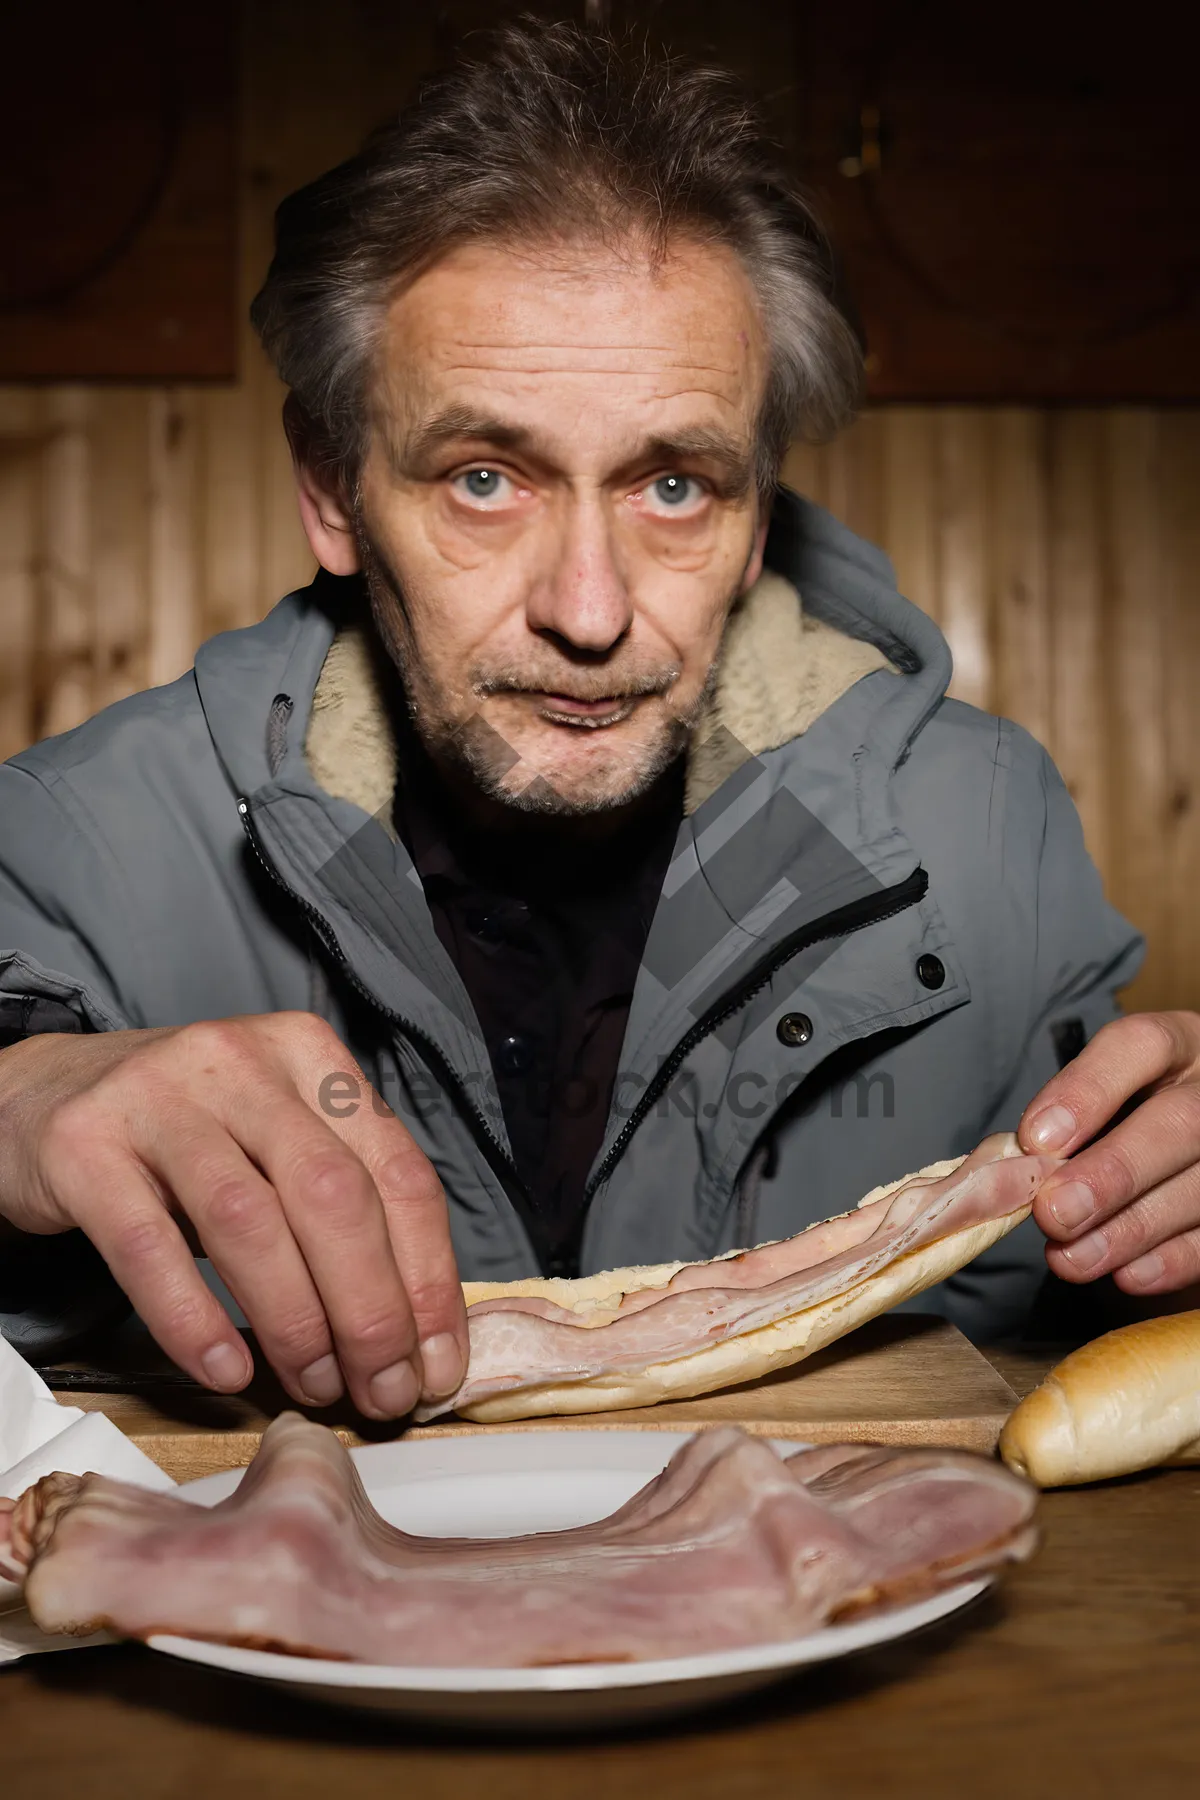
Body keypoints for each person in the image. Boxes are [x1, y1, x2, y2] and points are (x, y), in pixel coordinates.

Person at [0, 25, 1193, 1419]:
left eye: (674, 486)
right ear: (331, 489)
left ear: (757, 524)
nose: (589, 608)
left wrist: (1162, 1221)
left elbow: (1101, 1306)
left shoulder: (993, 833)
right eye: (486, 477)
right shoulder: (70, 837)